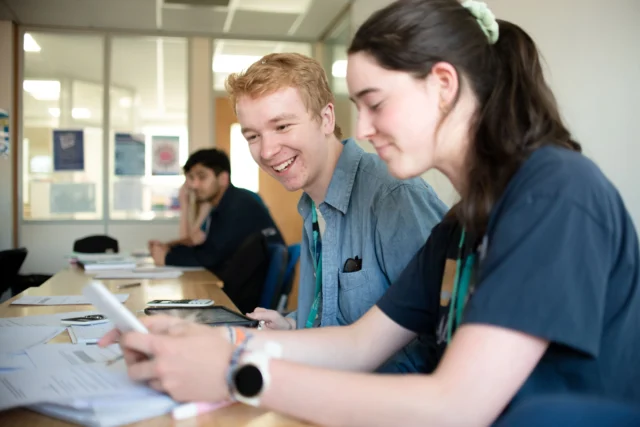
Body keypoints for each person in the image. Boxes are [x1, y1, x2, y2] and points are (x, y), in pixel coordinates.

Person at [101, 1, 640, 426]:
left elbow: (457, 406)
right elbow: (359, 343)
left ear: (444, 86)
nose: (361, 132)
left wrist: (235, 372)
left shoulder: (555, 194)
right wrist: (213, 341)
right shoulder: (460, 226)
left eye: (377, 103)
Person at [225, 52, 448, 372]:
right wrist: (291, 327)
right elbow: (338, 317)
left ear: (326, 118)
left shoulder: (393, 195)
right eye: (253, 136)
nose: (267, 150)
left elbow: (443, 332)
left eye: (283, 126)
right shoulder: (313, 206)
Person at [148, 148, 284, 270]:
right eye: (191, 178)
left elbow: (210, 257)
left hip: (242, 293)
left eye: (202, 177)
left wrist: (167, 258)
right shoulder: (225, 203)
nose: (194, 185)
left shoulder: (237, 205)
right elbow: (204, 247)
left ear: (223, 179)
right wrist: (169, 251)